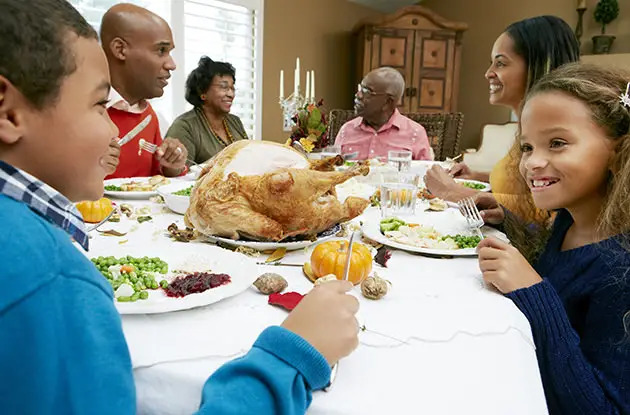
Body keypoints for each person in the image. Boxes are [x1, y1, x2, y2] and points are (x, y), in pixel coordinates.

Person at [0, 1, 360, 413]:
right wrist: (291, 358)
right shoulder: (53, 283)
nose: (111, 129)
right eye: (100, 106)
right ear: (8, 112)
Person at [475, 64, 630, 414]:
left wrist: (534, 292)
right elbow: (558, 266)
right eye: (527, 146)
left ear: (619, 153)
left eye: (557, 143)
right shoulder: (568, 221)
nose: (532, 162)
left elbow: (603, 408)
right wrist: (509, 221)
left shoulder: (622, 270)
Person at [425, 16, 580, 225]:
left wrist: (451, 191)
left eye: (500, 63)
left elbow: (549, 215)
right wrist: (479, 177)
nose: (489, 73)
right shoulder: (528, 130)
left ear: (538, 65)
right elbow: (525, 187)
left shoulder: (561, 132)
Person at [100, 3, 188, 179]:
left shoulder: (151, 117)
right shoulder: (80, 112)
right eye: (161, 50)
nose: (171, 65)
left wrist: (172, 166)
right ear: (120, 49)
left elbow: (156, 180)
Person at [334, 67, 433, 161]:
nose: (358, 95)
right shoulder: (346, 130)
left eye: (366, 91)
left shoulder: (415, 133)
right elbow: (332, 171)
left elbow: (426, 174)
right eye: (360, 88)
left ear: (388, 102)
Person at [167, 56, 249, 165]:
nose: (231, 94)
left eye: (232, 88)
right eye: (223, 87)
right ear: (203, 92)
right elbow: (180, 173)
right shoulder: (184, 126)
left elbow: (249, 157)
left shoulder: (235, 121)